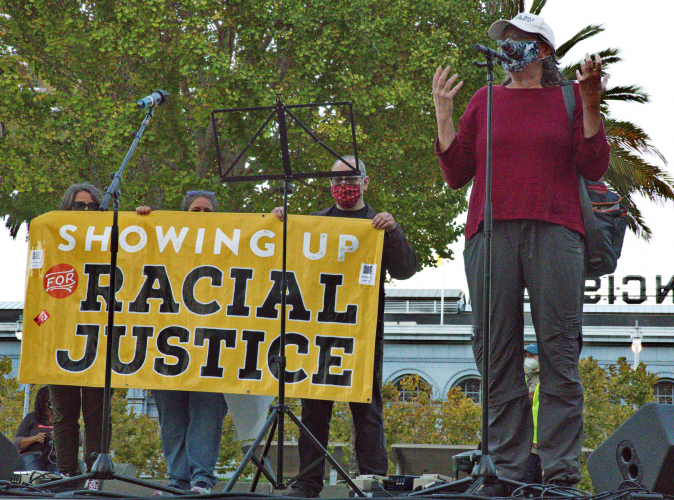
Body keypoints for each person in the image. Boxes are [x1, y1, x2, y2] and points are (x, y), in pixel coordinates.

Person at [432, 12, 610, 492]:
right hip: (490, 234)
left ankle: (559, 475)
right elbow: (457, 174)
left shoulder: (569, 98)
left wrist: (591, 104)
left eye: (520, 39)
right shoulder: (485, 99)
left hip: (556, 232)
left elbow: (594, 165)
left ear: (544, 50)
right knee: (496, 353)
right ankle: (506, 470)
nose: (509, 45)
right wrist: (444, 114)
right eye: (505, 39)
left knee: (559, 351)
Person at [272, 156, 418, 498]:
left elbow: (405, 269)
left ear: (365, 183)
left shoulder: (377, 224)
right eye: (336, 179)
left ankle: (372, 482)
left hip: (361, 334)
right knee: (313, 411)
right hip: (317, 333)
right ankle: (308, 483)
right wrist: (278, 224)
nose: (343, 186)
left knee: (366, 411)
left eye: (350, 179)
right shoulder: (315, 223)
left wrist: (393, 232)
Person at [137, 190, 228, 495]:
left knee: (207, 413)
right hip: (168, 343)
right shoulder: (163, 243)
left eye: (207, 211)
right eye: (195, 211)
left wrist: (276, 221)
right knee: (172, 415)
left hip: (213, 344)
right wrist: (144, 223)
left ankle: (201, 479)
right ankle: (177, 480)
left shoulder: (233, 247)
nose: (201, 216)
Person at [50, 182, 109, 490]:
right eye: (79, 205)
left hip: (100, 339)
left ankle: (95, 476)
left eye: (91, 206)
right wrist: (38, 324)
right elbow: (40, 300)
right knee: (63, 412)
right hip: (61, 337)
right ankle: (66, 473)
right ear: (67, 209)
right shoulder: (52, 241)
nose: (86, 210)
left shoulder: (112, 241)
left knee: (97, 412)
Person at [14, 386, 57, 472]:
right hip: (33, 456)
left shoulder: (61, 419)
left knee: (59, 475)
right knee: (35, 474)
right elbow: (16, 443)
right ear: (44, 402)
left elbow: (79, 440)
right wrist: (35, 438)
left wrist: (60, 436)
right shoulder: (31, 417)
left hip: (55, 457)